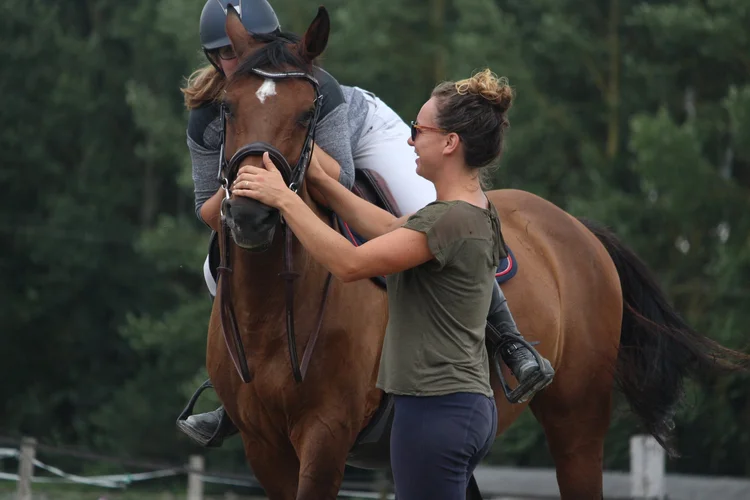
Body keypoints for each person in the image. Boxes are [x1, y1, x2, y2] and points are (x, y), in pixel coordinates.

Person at [176, 0, 553, 449]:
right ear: (213, 58)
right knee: (213, 269)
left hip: (361, 139)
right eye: (228, 53)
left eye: (251, 47)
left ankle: (512, 343)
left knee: (429, 209)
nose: (240, 59)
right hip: (267, 171)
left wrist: (288, 167)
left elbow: (342, 177)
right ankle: (237, 389)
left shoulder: (319, 86)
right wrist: (240, 179)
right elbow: (205, 208)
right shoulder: (206, 113)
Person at [232, 69, 552, 498]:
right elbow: (385, 226)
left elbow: (349, 263)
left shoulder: (448, 220)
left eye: (419, 130)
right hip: (457, 409)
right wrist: (321, 181)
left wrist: (284, 199)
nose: (409, 140)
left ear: (450, 143)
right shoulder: (469, 211)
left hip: (435, 411)